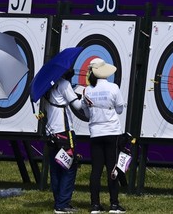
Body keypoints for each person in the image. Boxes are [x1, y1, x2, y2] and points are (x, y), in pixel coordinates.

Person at [81, 58, 126, 214]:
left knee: (96, 170)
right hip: (112, 133)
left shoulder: (86, 91)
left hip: (95, 134)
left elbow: (86, 114)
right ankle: (114, 204)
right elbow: (120, 109)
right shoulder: (113, 87)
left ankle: (95, 205)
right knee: (112, 168)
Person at [41, 68, 82, 213]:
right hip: (64, 132)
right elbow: (77, 106)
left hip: (50, 132)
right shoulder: (64, 84)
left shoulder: (46, 86)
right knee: (69, 167)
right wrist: (83, 97)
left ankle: (59, 201)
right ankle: (62, 204)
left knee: (56, 166)